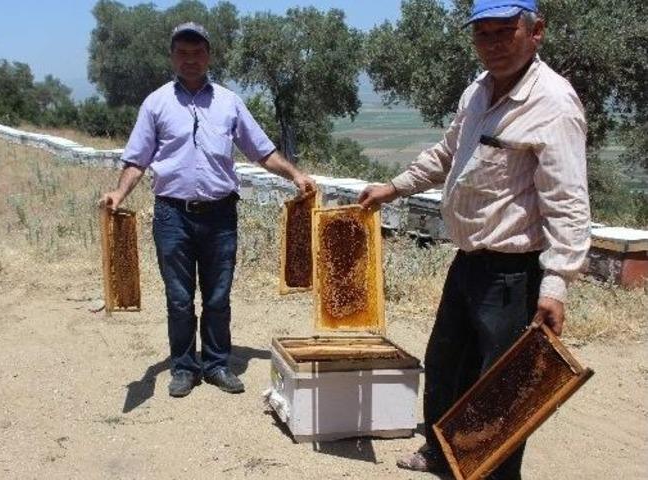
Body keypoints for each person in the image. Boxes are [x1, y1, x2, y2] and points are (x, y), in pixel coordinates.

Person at [358, 1, 590, 478]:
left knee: (501, 393)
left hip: (511, 274)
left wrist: (556, 285)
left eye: (505, 32)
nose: (493, 44)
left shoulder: (554, 103)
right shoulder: (477, 93)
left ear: (536, 31)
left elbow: (568, 204)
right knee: (446, 365)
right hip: (467, 262)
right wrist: (394, 187)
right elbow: (446, 154)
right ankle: (442, 455)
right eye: (483, 34)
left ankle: (495, 473)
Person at [100, 22, 315, 398]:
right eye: (182, 53)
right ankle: (183, 367)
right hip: (172, 215)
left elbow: (261, 150)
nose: (190, 60)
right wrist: (119, 194)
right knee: (179, 298)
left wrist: (295, 175)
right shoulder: (156, 103)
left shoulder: (229, 102)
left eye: (197, 52)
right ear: (172, 58)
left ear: (209, 56)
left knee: (218, 296)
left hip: (220, 215)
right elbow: (137, 160)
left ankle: (216, 364)